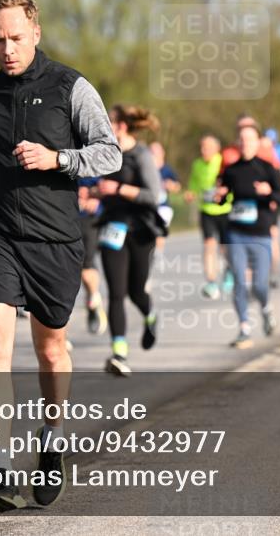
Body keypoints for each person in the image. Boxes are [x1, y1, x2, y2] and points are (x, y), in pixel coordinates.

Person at [0, 0, 121, 513]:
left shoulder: (71, 87)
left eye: (16, 37)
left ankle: (54, 434)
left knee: (51, 349)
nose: (7, 48)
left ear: (35, 33)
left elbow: (109, 153)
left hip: (55, 239)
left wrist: (57, 158)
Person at [95, 106, 166, 376]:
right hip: (112, 228)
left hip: (140, 231)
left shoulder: (141, 156)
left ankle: (150, 316)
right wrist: (93, 195)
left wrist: (119, 189)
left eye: (107, 122)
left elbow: (153, 195)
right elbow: (98, 185)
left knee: (136, 292)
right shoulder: (103, 153)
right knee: (115, 292)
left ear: (121, 126)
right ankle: (119, 353)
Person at [217, 123, 280, 348]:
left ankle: (266, 309)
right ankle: (244, 328)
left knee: (259, 285)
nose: (245, 144)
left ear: (258, 143)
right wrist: (219, 195)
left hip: (261, 234)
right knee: (239, 280)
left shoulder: (268, 169)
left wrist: (269, 193)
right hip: (236, 232)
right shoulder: (231, 169)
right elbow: (222, 195)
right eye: (242, 140)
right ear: (238, 143)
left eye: (250, 140)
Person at [185, 134, 231, 300]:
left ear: (216, 149)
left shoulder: (224, 163)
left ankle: (229, 271)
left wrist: (224, 192)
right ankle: (211, 282)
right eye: (202, 147)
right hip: (206, 211)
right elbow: (194, 185)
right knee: (209, 246)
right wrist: (190, 194)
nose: (203, 150)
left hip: (225, 210)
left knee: (225, 248)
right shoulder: (197, 164)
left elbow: (233, 183)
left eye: (207, 147)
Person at [77, 177, 107, 335]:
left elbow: (109, 183)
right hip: (65, 217)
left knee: (86, 264)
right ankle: (92, 299)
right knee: (73, 268)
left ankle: (93, 299)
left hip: (91, 218)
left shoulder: (97, 152)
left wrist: (92, 194)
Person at [150, 140, 181, 253]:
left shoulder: (167, 170)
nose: (153, 154)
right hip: (149, 205)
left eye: (155, 152)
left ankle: (157, 252)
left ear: (162, 153)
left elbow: (177, 187)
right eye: (151, 151)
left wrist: (171, 185)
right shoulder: (146, 169)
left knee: (159, 230)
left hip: (163, 207)